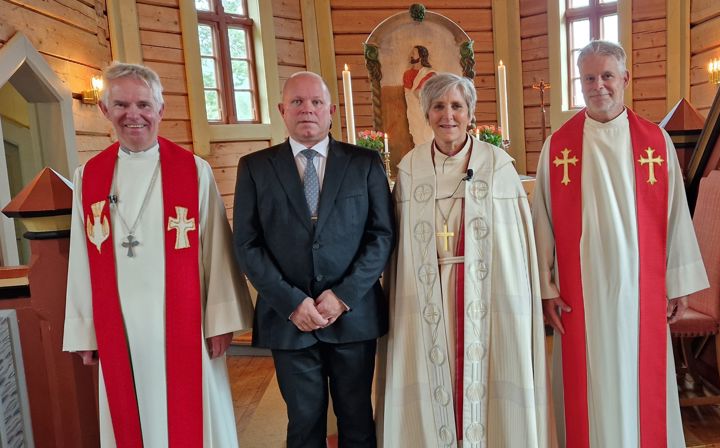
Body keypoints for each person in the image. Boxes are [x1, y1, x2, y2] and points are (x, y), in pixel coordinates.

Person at [62, 62, 253, 446]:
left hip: (185, 322)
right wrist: (86, 329)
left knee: (193, 417)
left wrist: (219, 320)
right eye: (121, 105)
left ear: (160, 110)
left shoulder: (193, 171)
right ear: (105, 111)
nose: (134, 115)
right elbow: (82, 256)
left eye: (144, 105)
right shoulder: (90, 176)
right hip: (120, 326)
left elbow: (216, 247)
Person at [532, 40, 709, 448]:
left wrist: (677, 282)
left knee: (639, 378)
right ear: (580, 84)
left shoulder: (655, 141)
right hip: (581, 290)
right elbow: (541, 220)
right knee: (587, 383)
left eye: (607, 76)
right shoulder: (558, 146)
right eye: (589, 78)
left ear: (625, 78)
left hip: (639, 289)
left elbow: (675, 213)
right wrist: (546, 287)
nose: (599, 86)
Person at [376, 73, 550, 447]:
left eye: (457, 106)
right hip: (426, 299)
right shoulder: (409, 169)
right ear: (426, 113)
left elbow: (515, 246)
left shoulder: (498, 165)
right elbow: (399, 247)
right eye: (438, 106)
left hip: (489, 298)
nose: (448, 115)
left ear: (471, 113)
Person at [233, 71, 394, 448]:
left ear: (331, 111)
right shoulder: (255, 167)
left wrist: (343, 296)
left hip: (352, 315)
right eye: (297, 102)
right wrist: (292, 302)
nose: (307, 110)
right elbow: (246, 243)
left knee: (356, 415)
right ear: (282, 110)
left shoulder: (365, 163)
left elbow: (382, 236)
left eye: (316, 102)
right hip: (288, 318)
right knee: (304, 420)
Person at [403, 45, 436, 145]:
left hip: (425, 110)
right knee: (416, 135)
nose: (411, 55)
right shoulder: (407, 74)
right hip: (413, 111)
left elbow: (419, 93)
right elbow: (409, 94)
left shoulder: (430, 73)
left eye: (414, 53)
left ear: (421, 57)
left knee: (427, 135)